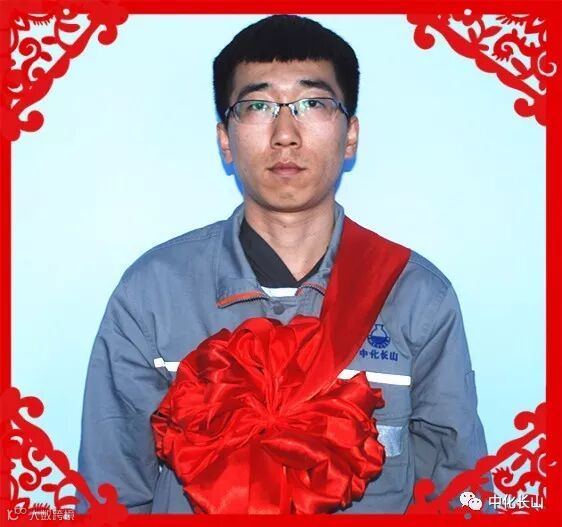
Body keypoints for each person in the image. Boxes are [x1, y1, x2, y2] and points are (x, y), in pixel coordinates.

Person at [77, 14, 489, 514]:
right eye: (257, 105)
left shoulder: (417, 296)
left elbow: (458, 493)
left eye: (313, 103)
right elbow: (112, 495)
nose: (286, 134)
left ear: (351, 134)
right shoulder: (152, 295)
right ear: (225, 139)